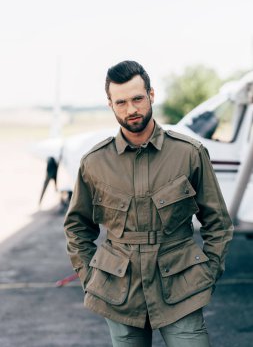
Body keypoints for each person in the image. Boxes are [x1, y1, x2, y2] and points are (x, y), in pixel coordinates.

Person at [64, 60, 233, 347]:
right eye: (121, 102)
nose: (131, 110)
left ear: (151, 95)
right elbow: (77, 228)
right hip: (119, 292)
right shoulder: (94, 163)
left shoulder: (189, 154)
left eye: (137, 99)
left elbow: (218, 223)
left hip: (181, 287)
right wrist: (91, 277)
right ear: (110, 105)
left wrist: (208, 272)